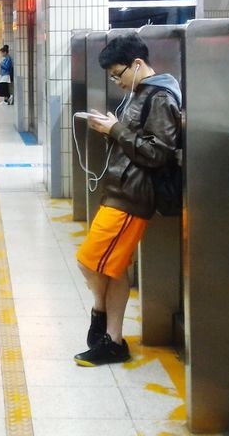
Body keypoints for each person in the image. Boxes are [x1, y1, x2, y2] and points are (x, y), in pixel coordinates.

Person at [74, 32, 182, 366]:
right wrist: (111, 128)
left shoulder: (160, 97)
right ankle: (113, 339)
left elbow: (158, 153)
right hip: (120, 190)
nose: (116, 82)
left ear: (137, 64)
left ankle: (101, 315)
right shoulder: (140, 92)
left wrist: (115, 130)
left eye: (117, 74)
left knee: (89, 261)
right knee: (114, 267)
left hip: (134, 196)